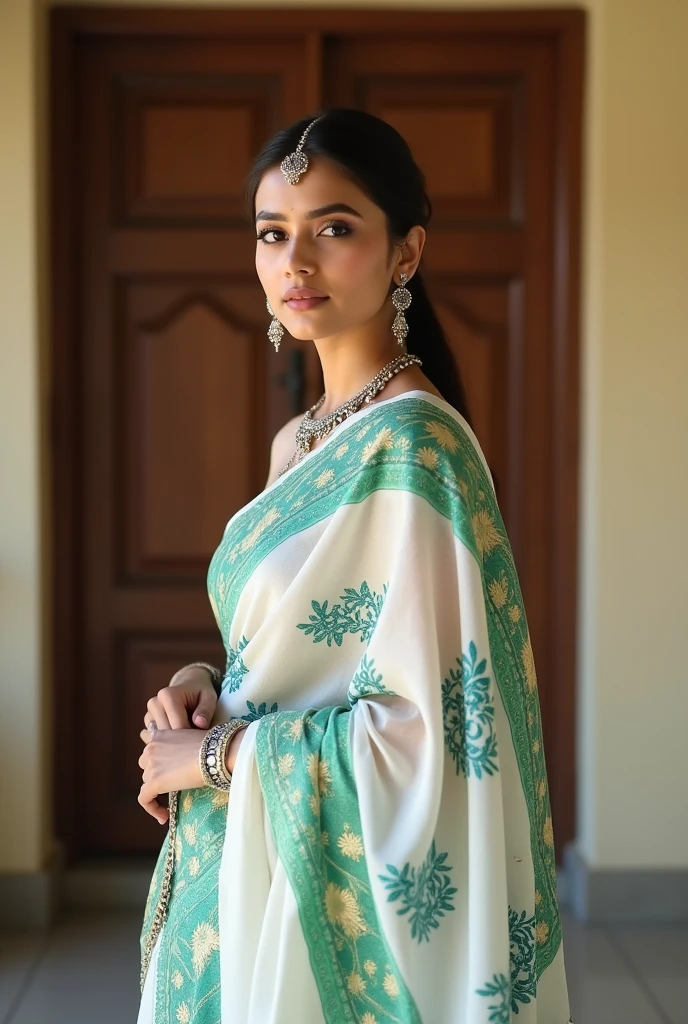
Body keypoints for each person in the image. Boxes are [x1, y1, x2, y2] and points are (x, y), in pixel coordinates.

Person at [136, 108, 572, 1024]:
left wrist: (215, 757)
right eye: (272, 233)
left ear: (404, 254)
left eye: (333, 229)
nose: (294, 263)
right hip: (247, 867)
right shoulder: (299, 441)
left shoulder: (418, 449)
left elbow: (427, 741)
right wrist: (202, 681)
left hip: (319, 896)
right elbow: (282, 660)